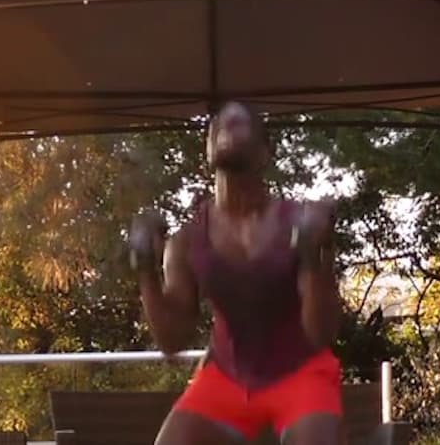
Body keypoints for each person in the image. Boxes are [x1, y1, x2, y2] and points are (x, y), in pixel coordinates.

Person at [130, 101, 345, 445]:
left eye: (241, 123)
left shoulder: (298, 224)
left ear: (266, 152)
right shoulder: (187, 241)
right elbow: (172, 341)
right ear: (207, 149)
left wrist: (316, 256)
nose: (229, 122)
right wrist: (146, 270)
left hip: (301, 371)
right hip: (226, 378)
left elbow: (321, 333)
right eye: (220, 125)